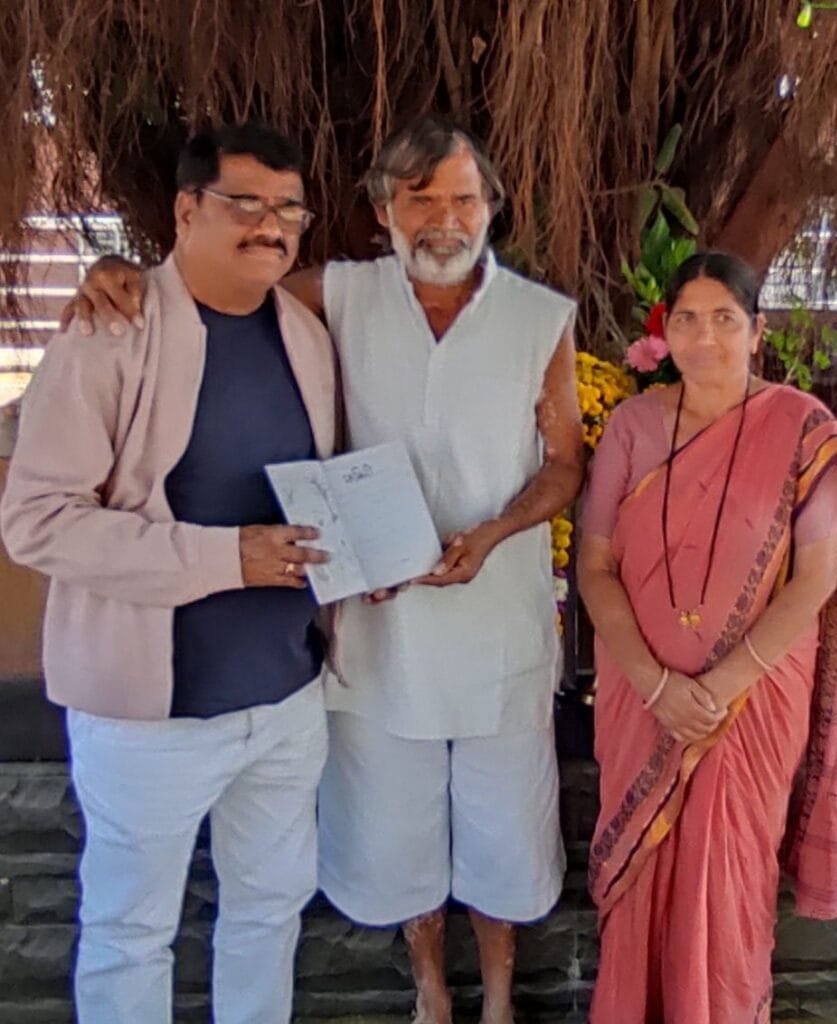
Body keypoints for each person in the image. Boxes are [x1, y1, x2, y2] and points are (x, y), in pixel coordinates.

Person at [59, 114, 585, 1024]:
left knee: (504, 830)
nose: (443, 219)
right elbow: (213, 287)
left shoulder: (540, 317)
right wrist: (118, 273)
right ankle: (430, 990)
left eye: (463, 198)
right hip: (376, 618)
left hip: (493, 614)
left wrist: (496, 531)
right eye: (419, 198)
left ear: (492, 206)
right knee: (392, 828)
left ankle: (499, 998)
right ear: (382, 209)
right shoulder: (332, 295)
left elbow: (566, 461)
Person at [2, 123, 336, 1024]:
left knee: (268, 916)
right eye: (245, 204)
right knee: (129, 934)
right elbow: (37, 521)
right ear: (186, 210)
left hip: (285, 698)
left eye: (289, 210)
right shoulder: (107, 334)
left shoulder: (305, 336)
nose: (271, 226)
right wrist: (226, 558)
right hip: (149, 717)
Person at [577, 251, 837, 1023]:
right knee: (640, 880)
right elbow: (594, 565)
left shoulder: (799, 429)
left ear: (755, 331)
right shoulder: (631, 425)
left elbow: (816, 578)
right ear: (665, 331)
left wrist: (717, 687)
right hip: (639, 697)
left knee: (729, 875)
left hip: (748, 704)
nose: (704, 336)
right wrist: (656, 685)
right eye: (686, 319)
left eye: (724, 318)